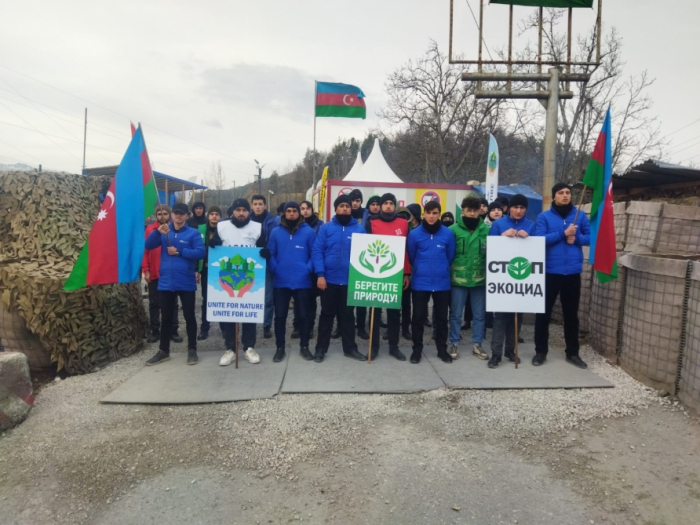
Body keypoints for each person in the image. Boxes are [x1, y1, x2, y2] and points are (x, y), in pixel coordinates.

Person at [534, 183, 591, 369]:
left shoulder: (579, 215)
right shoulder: (544, 217)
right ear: (554, 196)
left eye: (568, 193)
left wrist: (578, 239)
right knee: (543, 313)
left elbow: (591, 237)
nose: (565, 195)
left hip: (572, 272)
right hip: (550, 271)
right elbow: (539, 240)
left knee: (571, 315)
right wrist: (562, 233)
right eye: (561, 193)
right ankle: (541, 351)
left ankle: (572, 353)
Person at [210, 198, 270, 366]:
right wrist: (213, 244)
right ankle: (230, 348)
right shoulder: (222, 227)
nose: (241, 213)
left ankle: (248, 347)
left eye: (244, 210)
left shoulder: (257, 227)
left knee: (249, 314)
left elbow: (263, 247)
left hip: (249, 277)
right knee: (230, 313)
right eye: (238, 210)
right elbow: (214, 246)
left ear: (248, 211)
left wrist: (266, 253)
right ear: (233, 212)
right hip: (228, 277)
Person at [144, 202, 205, 366]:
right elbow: (148, 245)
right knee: (166, 318)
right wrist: (157, 233)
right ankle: (163, 351)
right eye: (176, 213)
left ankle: (192, 350)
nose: (178, 216)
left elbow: (200, 252)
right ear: (172, 215)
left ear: (187, 215)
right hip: (166, 282)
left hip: (185, 281)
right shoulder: (164, 232)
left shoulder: (193, 233)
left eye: (181, 213)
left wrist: (179, 252)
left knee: (189, 316)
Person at [312, 195, 367, 362]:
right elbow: (317, 252)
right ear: (336, 209)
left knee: (348, 316)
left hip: (350, 281)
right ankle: (321, 349)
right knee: (327, 315)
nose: (345, 209)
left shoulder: (359, 229)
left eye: (348, 206)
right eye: (342, 206)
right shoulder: (326, 228)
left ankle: (350, 348)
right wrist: (320, 275)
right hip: (329, 281)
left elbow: (365, 255)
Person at [486, 194, 535, 369]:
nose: (519, 211)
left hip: (521, 276)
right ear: (509, 208)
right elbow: (489, 248)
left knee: (517, 317)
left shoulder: (530, 225)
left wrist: (529, 238)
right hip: (501, 276)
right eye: (516, 207)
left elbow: (536, 250)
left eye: (522, 208)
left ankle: (510, 350)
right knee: (500, 317)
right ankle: (496, 353)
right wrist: (502, 236)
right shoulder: (498, 224)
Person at [407, 201, 456, 364]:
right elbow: (412, 256)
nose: (431, 216)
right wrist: (421, 269)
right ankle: (417, 350)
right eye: (428, 213)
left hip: (442, 283)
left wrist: (441, 268)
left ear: (439, 214)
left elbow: (450, 256)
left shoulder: (448, 234)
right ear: (424, 214)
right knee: (418, 318)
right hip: (421, 282)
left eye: (435, 213)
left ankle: (442, 349)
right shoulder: (414, 234)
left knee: (442, 318)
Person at [268, 202, 316, 363]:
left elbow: (314, 254)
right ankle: (280, 348)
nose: (291, 214)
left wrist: (307, 269)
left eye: (294, 211)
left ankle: (304, 346)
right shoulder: (275, 232)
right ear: (283, 213)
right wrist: (275, 269)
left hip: (302, 281)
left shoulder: (308, 232)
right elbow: (271, 253)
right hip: (281, 281)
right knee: (280, 316)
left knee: (303, 316)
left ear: (299, 213)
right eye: (288, 211)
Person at [366, 193, 411, 361]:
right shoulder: (371, 223)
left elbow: (405, 249)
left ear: (395, 205)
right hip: (377, 273)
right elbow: (366, 248)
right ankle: (374, 346)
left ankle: (394, 346)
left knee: (394, 313)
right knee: (375, 312)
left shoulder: (403, 223)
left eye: (391, 203)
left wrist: (406, 273)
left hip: (396, 273)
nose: (388, 206)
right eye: (385, 203)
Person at [448, 197, 489, 360]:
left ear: (480, 211)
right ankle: (454, 343)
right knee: (456, 314)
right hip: (458, 279)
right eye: (468, 210)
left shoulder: (487, 230)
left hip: (480, 279)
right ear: (463, 211)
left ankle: (477, 344)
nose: (472, 213)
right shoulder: (453, 230)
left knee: (479, 314)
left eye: (475, 210)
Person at [142, 205, 181, 344]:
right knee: (154, 303)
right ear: (156, 216)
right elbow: (145, 250)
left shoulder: (174, 229)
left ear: (169, 215)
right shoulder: (150, 230)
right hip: (155, 272)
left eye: (165, 213)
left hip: (170, 272)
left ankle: (173, 330)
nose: (162, 216)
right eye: (159, 214)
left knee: (173, 303)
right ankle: (155, 330)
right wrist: (145, 269)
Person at [292, 201, 324, 339]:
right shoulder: (294, 225)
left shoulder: (320, 226)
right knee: (297, 299)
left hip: (313, 267)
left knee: (310, 300)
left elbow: (320, 247)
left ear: (312, 209)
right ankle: (297, 325)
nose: (305, 211)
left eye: (307, 208)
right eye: (302, 209)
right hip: (298, 267)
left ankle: (309, 326)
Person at [250, 194, 278, 339]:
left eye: (261, 204)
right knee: (250, 294)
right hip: (249, 263)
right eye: (255, 204)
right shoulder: (245, 221)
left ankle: (266, 325)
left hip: (266, 262)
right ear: (252, 206)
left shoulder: (273, 222)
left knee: (268, 298)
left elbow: (277, 242)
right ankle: (250, 324)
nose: (258, 206)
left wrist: (269, 252)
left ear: (265, 206)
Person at [195, 205, 222, 341]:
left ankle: (225, 328)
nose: (214, 216)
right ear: (208, 215)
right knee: (206, 299)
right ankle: (205, 328)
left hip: (221, 269)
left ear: (220, 216)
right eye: (212, 214)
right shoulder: (201, 229)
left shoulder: (225, 230)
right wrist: (196, 269)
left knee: (223, 298)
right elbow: (196, 249)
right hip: (206, 268)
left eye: (217, 214)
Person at [348, 189, 371, 340]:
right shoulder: (343, 214)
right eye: (353, 200)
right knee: (345, 299)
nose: (355, 203)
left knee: (361, 298)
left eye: (358, 200)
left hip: (363, 260)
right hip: (346, 261)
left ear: (361, 201)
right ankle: (343, 326)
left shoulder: (368, 216)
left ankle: (361, 327)